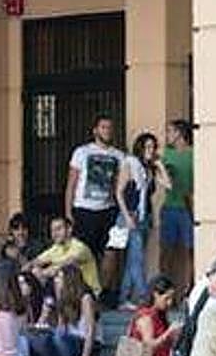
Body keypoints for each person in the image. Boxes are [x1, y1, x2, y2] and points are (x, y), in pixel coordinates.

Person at [118, 132, 170, 310]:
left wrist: (159, 165)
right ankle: (144, 298)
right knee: (137, 258)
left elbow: (168, 185)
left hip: (144, 216)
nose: (150, 150)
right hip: (131, 215)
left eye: (153, 147)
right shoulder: (130, 163)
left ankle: (123, 298)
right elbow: (119, 192)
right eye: (147, 147)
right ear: (139, 147)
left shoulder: (149, 169)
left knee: (134, 259)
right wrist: (126, 216)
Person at [65, 113, 124, 265]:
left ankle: (102, 288)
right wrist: (68, 212)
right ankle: (84, 288)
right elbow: (71, 183)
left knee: (110, 252)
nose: (107, 131)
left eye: (109, 128)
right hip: (84, 210)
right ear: (95, 130)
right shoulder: (82, 152)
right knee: (83, 254)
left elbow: (120, 185)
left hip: (108, 210)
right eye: (103, 127)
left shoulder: (118, 155)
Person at [160, 119, 195, 301]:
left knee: (191, 250)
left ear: (180, 133)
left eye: (170, 131)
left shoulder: (194, 153)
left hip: (188, 208)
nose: (168, 136)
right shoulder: (166, 154)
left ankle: (190, 289)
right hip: (170, 207)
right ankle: (164, 290)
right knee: (167, 250)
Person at [24, 215, 101, 297]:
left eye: (58, 229)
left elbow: (67, 263)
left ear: (69, 229)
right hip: (69, 293)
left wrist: (45, 272)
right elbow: (36, 261)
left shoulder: (80, 247)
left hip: (88, 294)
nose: (54, 234)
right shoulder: (56, 248)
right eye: (52, 230)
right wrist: (29, 267)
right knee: (35, 271)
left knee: (60, 276)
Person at [48, 265, 98, 356]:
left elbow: (91, 331)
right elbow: (61, 327)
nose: (56, 280)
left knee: (59, 337)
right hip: (69, 340)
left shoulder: (85, 298)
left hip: (87, 343)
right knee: (45, 338)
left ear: (69, 279)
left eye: (59, 277)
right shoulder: (63, 297)